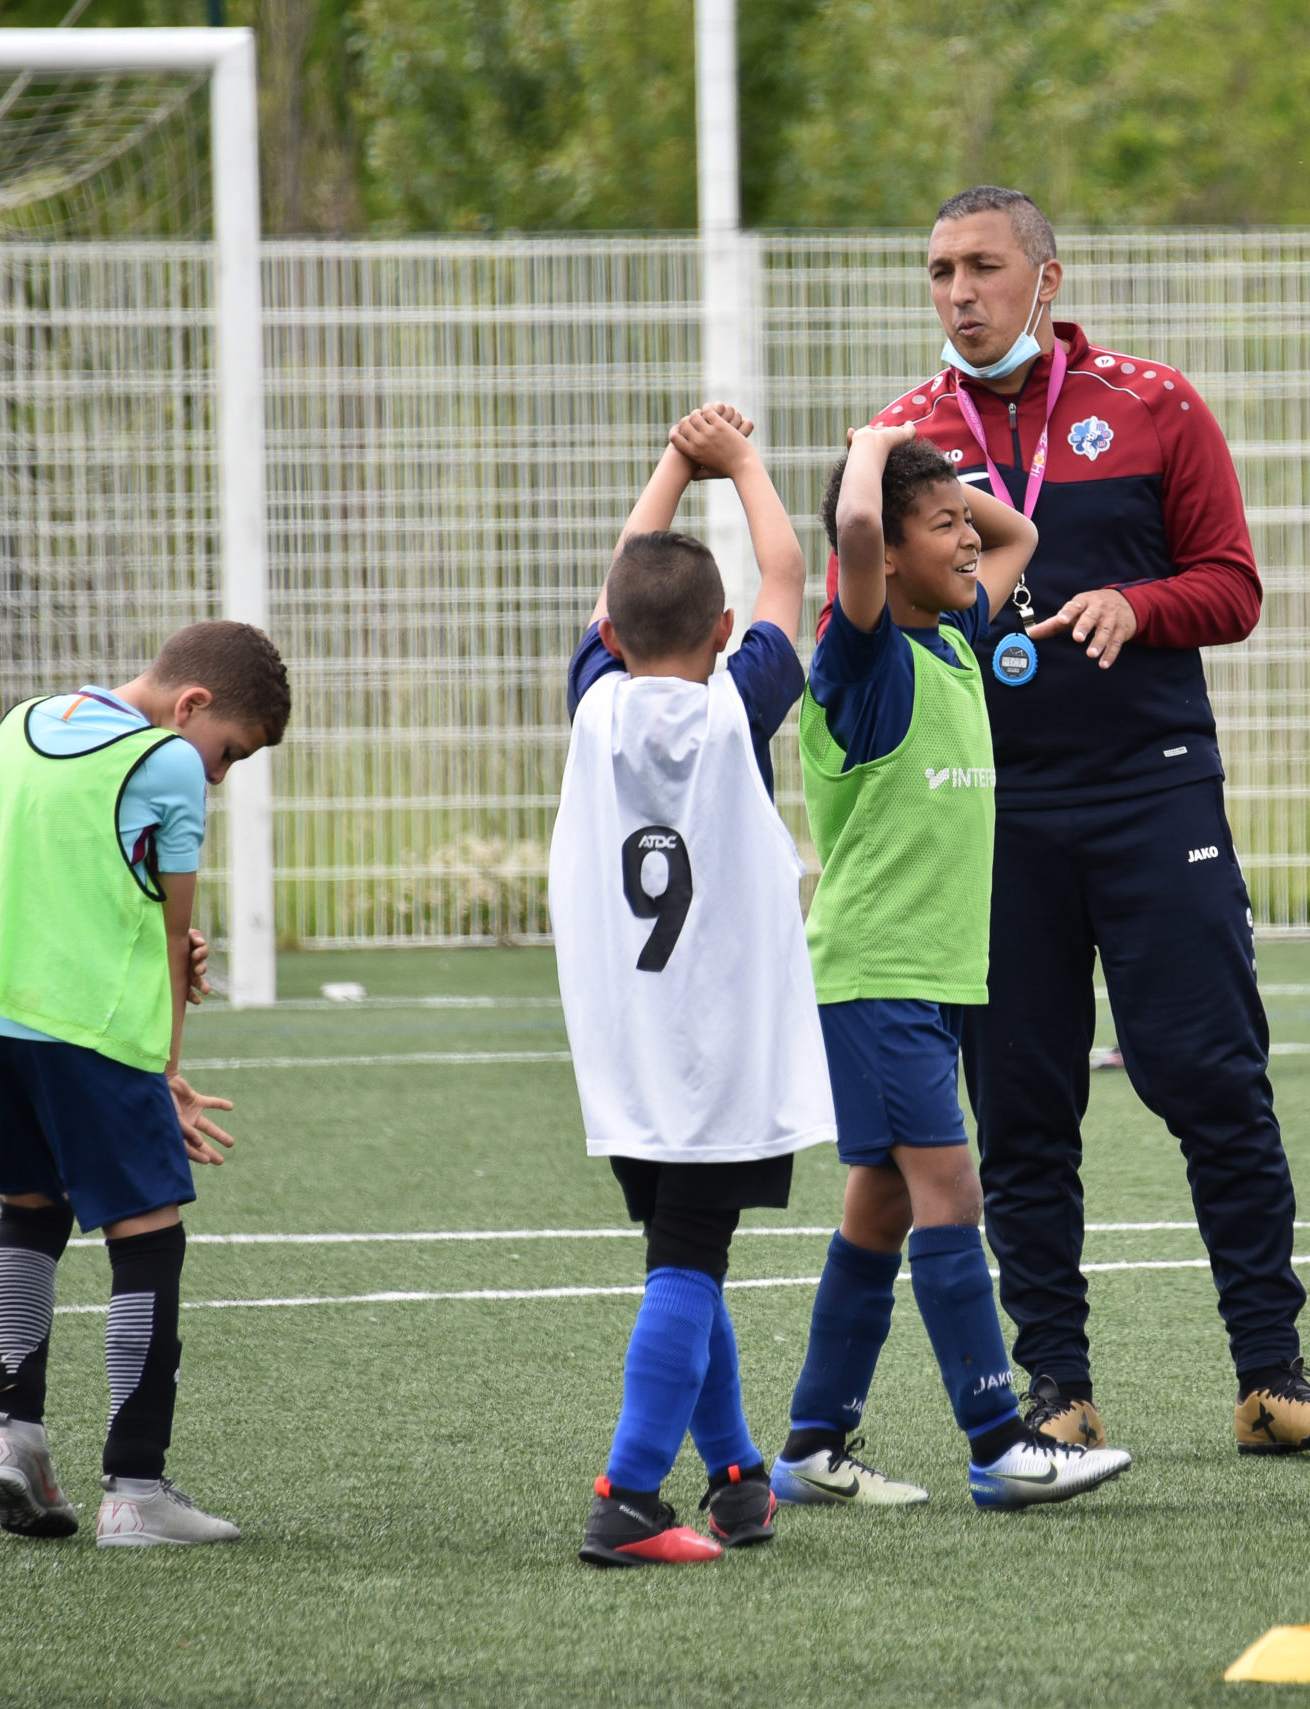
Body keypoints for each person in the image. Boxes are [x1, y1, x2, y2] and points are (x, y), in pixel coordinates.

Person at [844, 185, 1310, 1459]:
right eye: (937, 271)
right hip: (991, 812)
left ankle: (1269, 1374)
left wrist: (1139, 605)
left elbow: (1232, 585)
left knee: (1214, 1079)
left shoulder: (1154, 404)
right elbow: (862, 610)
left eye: (981, 266)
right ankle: (1058, 1387)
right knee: (1021, 1109)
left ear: (1047, 277)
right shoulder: (906, 440)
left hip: (1152, 787)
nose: (957, 293)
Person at [773, 424, 1132, 1512]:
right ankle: (998, 1443)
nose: (970, 541)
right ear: (885, 557)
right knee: (951, 1189)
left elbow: (1022, 534)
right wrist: (882, 447)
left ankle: (811, 1445)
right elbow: (854, 523)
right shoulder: (865, 655)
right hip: (878, 971)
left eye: (962, 522)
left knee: (880, 1208)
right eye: (942, 527)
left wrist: (944, 488)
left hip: (929, 978)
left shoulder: (954, 635)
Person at [553, 404, 834, 1567]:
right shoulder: (736, 707)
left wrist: (674, 461)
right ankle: (627, 1493)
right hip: (715, 1050)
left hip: (626, 1048)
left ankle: (734, 1474)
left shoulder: (592, 700)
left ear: (610, 631)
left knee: (686, 1253)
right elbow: (788, 571)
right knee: (686, 1262)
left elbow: (627, 586)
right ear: (724, 630)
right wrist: (742, 463)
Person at [0, 620, 291, 1547]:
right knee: (148, 1235)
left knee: (30, 1212)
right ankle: (135, 1488)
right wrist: (166, 1070)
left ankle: (11, 1434)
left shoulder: (21, 721)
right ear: (192, 705)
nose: (220, 775)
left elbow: (59, 875)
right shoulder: (166, 760)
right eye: (230, 752)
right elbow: (172, 934)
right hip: (84, 1028)